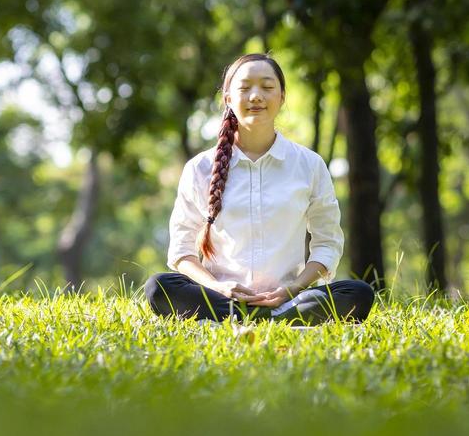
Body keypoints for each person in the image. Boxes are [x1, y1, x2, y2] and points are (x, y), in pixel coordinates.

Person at [142, 52, 376, 324]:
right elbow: (181, 253)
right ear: (228, 98)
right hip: (220, 299)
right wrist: (218, 287)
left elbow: (328, 244)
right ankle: (273, 321)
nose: (256, 96)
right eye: (245, 88)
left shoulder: (309, 165)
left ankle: (259, 318)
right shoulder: (200, 168)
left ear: (282, 97)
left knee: (357, 292)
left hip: (291, 299)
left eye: (267, 87)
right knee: (159, 286)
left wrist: (294, 288)